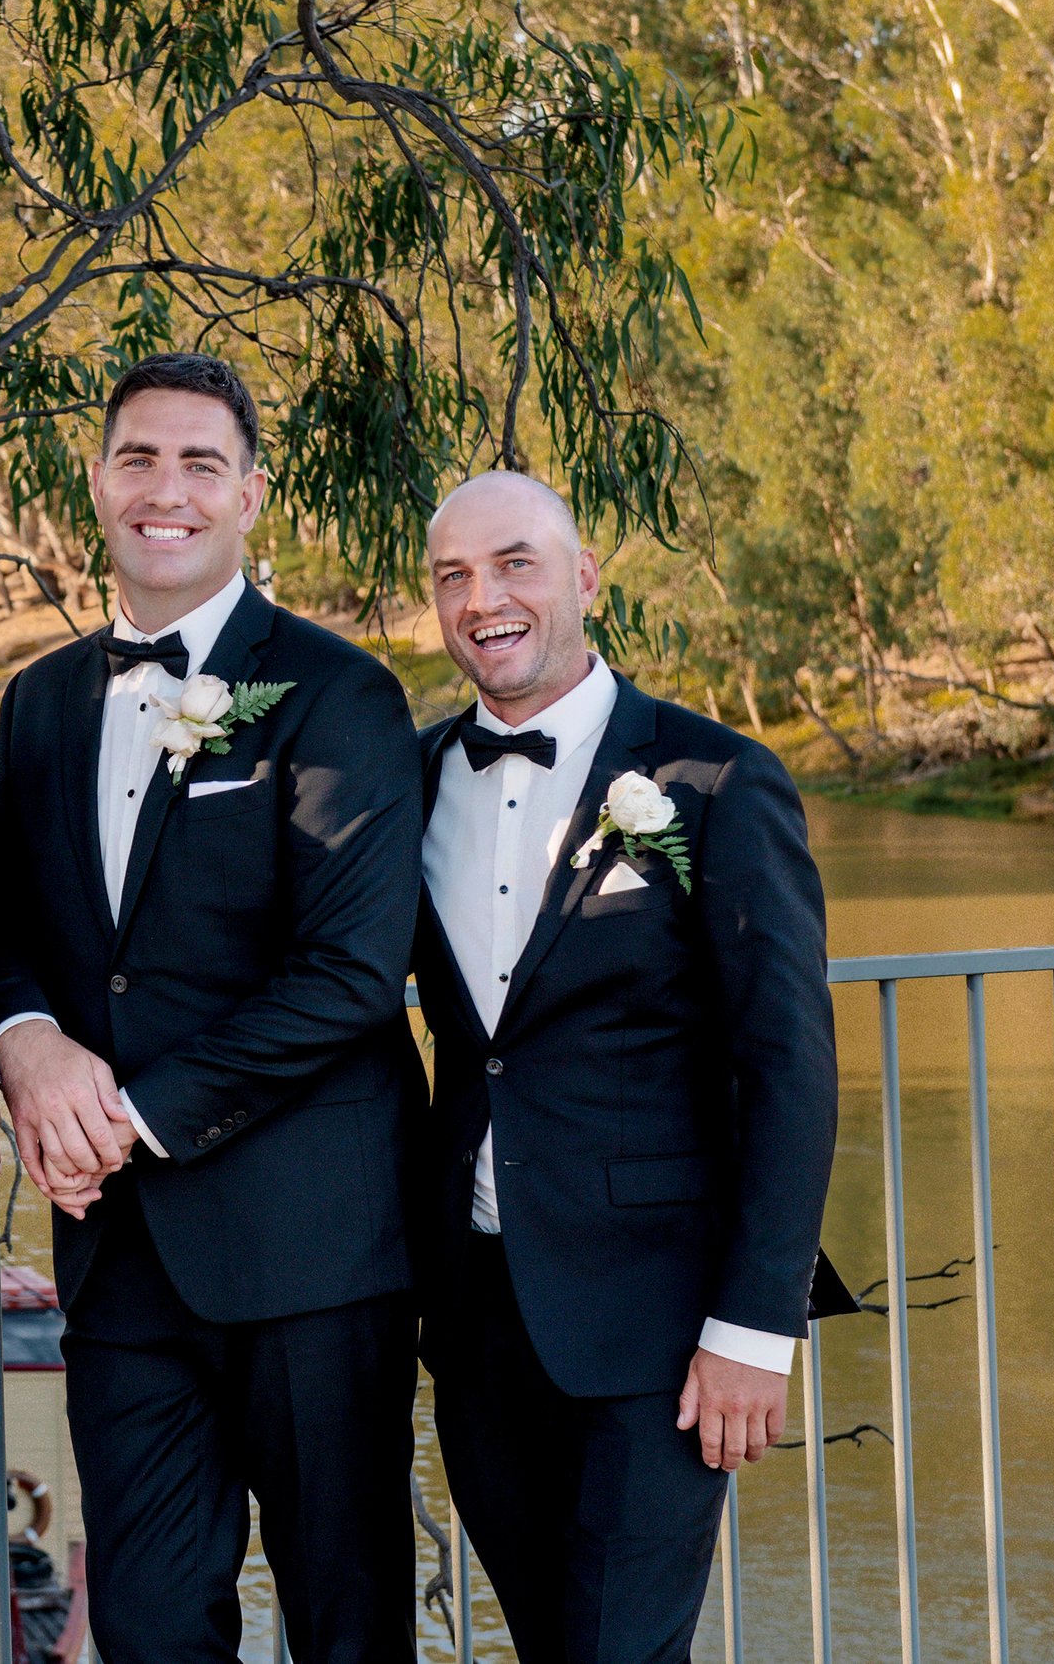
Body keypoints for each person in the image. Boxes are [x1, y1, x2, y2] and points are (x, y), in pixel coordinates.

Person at [0, 353, 424, 1661]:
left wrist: (125, 1118)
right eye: (139, 459)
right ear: (98, 482)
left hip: (311, 1255)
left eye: (200, 463)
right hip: (120, 1267)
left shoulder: (341, 694)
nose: (167, 490)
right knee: (150, 1626)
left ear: (250, 496)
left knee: (346, 1626)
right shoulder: (41, 700)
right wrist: (25, 1040)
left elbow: (349, 971)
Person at [410, 470, 837, 1663]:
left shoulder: (714, 778)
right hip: (477, 1312)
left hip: (660, 1321)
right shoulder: (411, 776)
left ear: (586, 578)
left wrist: (754, 1325)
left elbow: (789, 1064)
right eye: (452, 576)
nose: (483, 598)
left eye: (515, 563)